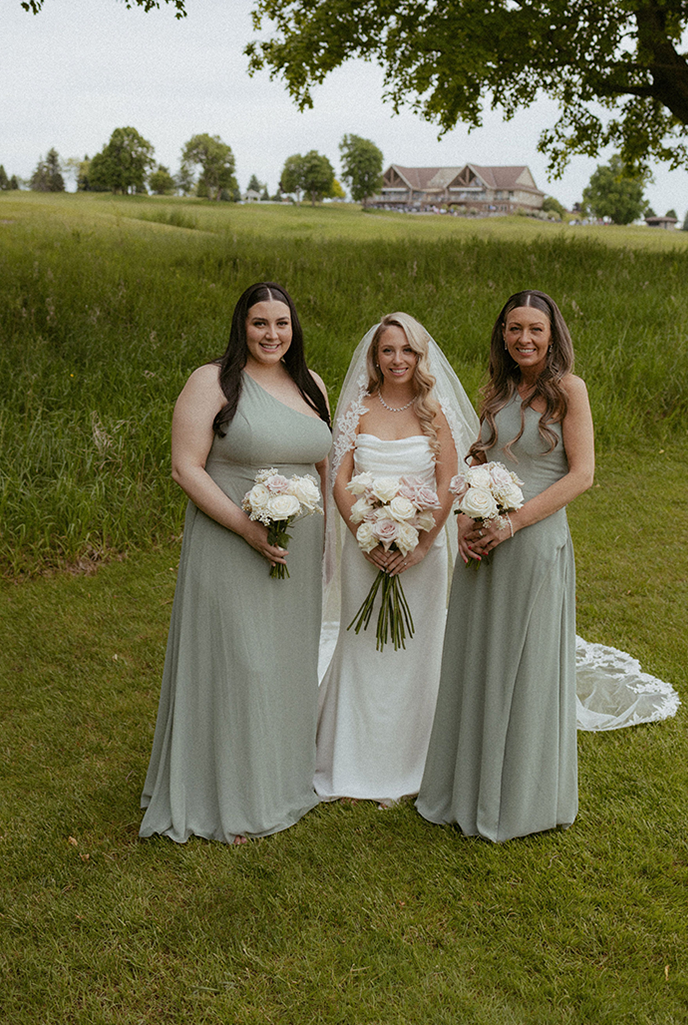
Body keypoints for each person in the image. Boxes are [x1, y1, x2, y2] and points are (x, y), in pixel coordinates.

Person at [140, 281, 331, 843]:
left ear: (293, 329)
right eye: (259, 324)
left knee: (284, 666)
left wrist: (329, 545)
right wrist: (247, 527)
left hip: (296, 549)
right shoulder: (212, 381)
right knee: (240, 664)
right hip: (229, 541)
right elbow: (186, 468)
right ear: (241, 327)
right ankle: (228, 798)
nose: (272, 334)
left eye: (281, 324)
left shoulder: (312, 384)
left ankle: (279, 784)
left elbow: (322, 464)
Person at [416, 289, 595, 842]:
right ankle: (466, 786)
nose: (524, 339)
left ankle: (519, 797)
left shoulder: (569, 391)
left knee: (527, 664)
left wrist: (513, 524)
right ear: (502, 333)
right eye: (514, 328)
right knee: (479, 660)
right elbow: (480, 460)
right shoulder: (496, 389)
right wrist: (468, 522)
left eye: (534, 329)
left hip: (534, 543)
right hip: (484, 543)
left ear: (552, 334)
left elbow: (581, 474)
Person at [315, 312, 479, 804]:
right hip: (363, 549)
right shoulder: (358, 409)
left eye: (408, 350)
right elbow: (338, 480)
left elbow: (451, 480)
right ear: (375, 357)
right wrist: (364, 536)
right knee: (362, 645)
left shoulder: (436, 411)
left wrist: (423, 543)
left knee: (417, 651)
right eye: (388, 350)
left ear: (420, 356)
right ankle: (351, 762)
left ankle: (414, 760)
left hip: (423, 552)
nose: (398, 359)